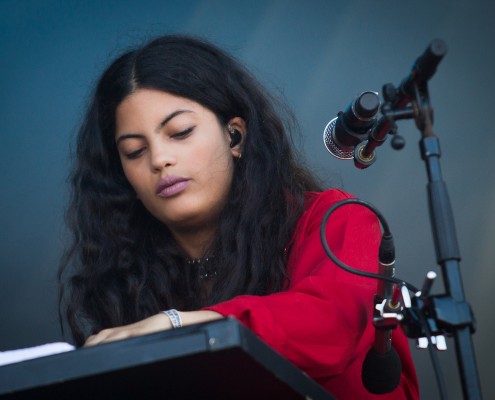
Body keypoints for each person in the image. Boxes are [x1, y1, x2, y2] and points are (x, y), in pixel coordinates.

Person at [58, 34, 419, 398]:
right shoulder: (132, 280)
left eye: (180, 132)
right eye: (135, 151)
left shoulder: (333, 220)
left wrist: (180, 326)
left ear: (234, 136)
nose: (158, 159)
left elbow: (331, 326)